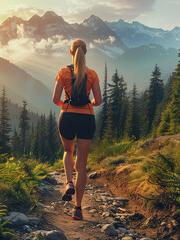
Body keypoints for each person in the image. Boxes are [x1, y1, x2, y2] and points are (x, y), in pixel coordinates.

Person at [52, 38, 102, 220]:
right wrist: (90, 103)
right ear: (85, 53)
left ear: (71, 53)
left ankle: (68, 183)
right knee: (82, 165)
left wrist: (65, 105)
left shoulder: (64, 72)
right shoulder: (92, 74)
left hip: (67, 117)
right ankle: (78, 208)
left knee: (67, 151)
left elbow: (55, 98)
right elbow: (99, 100)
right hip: (87, 118)